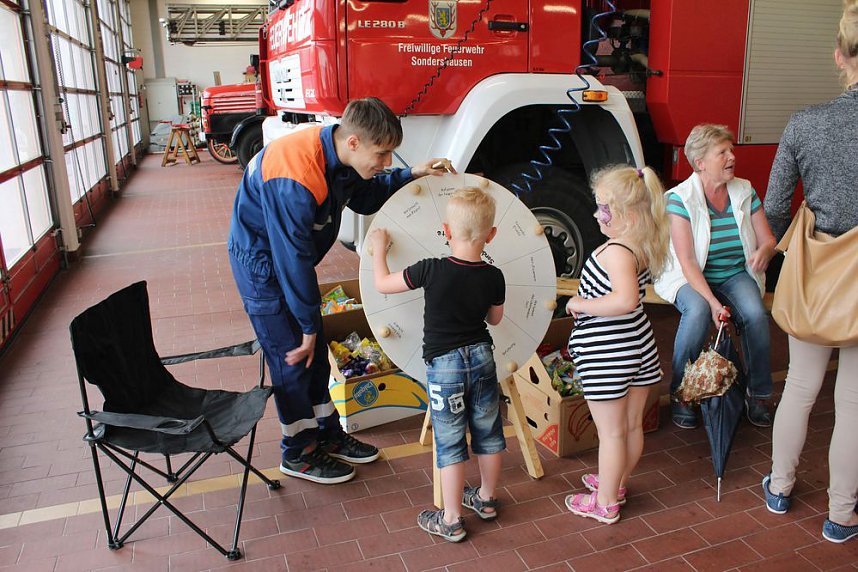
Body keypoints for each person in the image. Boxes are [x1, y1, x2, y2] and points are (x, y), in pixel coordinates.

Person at [228, 97, 453, 485]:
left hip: (289, 260)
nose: (386, 162)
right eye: (382, 154)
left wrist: (412, 173)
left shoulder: (339, 154)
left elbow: (364, 196)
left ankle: (326, 434)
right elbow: (291, 260)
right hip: (264, 266)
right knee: (295, 356)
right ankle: (297, 452)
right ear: (353, 143)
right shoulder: (295, 177)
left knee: (314, 355)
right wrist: (308, 324)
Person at [762, 1, 858, 544]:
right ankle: (841, 515)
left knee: (800, 386)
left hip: (815, 273)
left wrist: (761, 256)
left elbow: (774, 211)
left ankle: (779, 487)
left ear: (839, 56)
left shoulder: (806, 123)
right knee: (854, 401)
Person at [369, 186, 505, 542]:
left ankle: (451, 519)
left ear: (446, 230)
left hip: (444, 366)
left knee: (449, 440)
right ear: (491, 235)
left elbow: (383, 283)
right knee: (489, 432)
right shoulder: (494, 276)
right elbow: (496, 319)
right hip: (482, 358)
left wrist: (378, 251)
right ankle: (488, 500)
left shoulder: (430, 269)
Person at [564, 165, 669, 525]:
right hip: (637, 344)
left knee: (610, 432)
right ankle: (617, 482)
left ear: (627, 214)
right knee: (630, 426)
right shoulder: (638, 246)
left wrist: (579, 303)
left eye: (604, 207)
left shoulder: (617, 252)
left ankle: (605, 502)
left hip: (609, 351)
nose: (597, 214)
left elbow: (624, 301)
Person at [653, 124, 777, 429]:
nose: (732, 156)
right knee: (696, 312)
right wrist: (711, 303)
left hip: (734, 272)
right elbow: (687, 261)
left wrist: (766, 252)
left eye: (731, 150)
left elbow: (769, 239)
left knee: (756, 315)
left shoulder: (745, 190)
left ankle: (759, 394)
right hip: (689, 276)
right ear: (700, 163)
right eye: (722, 152)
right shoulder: (679, 198)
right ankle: (683, 394)